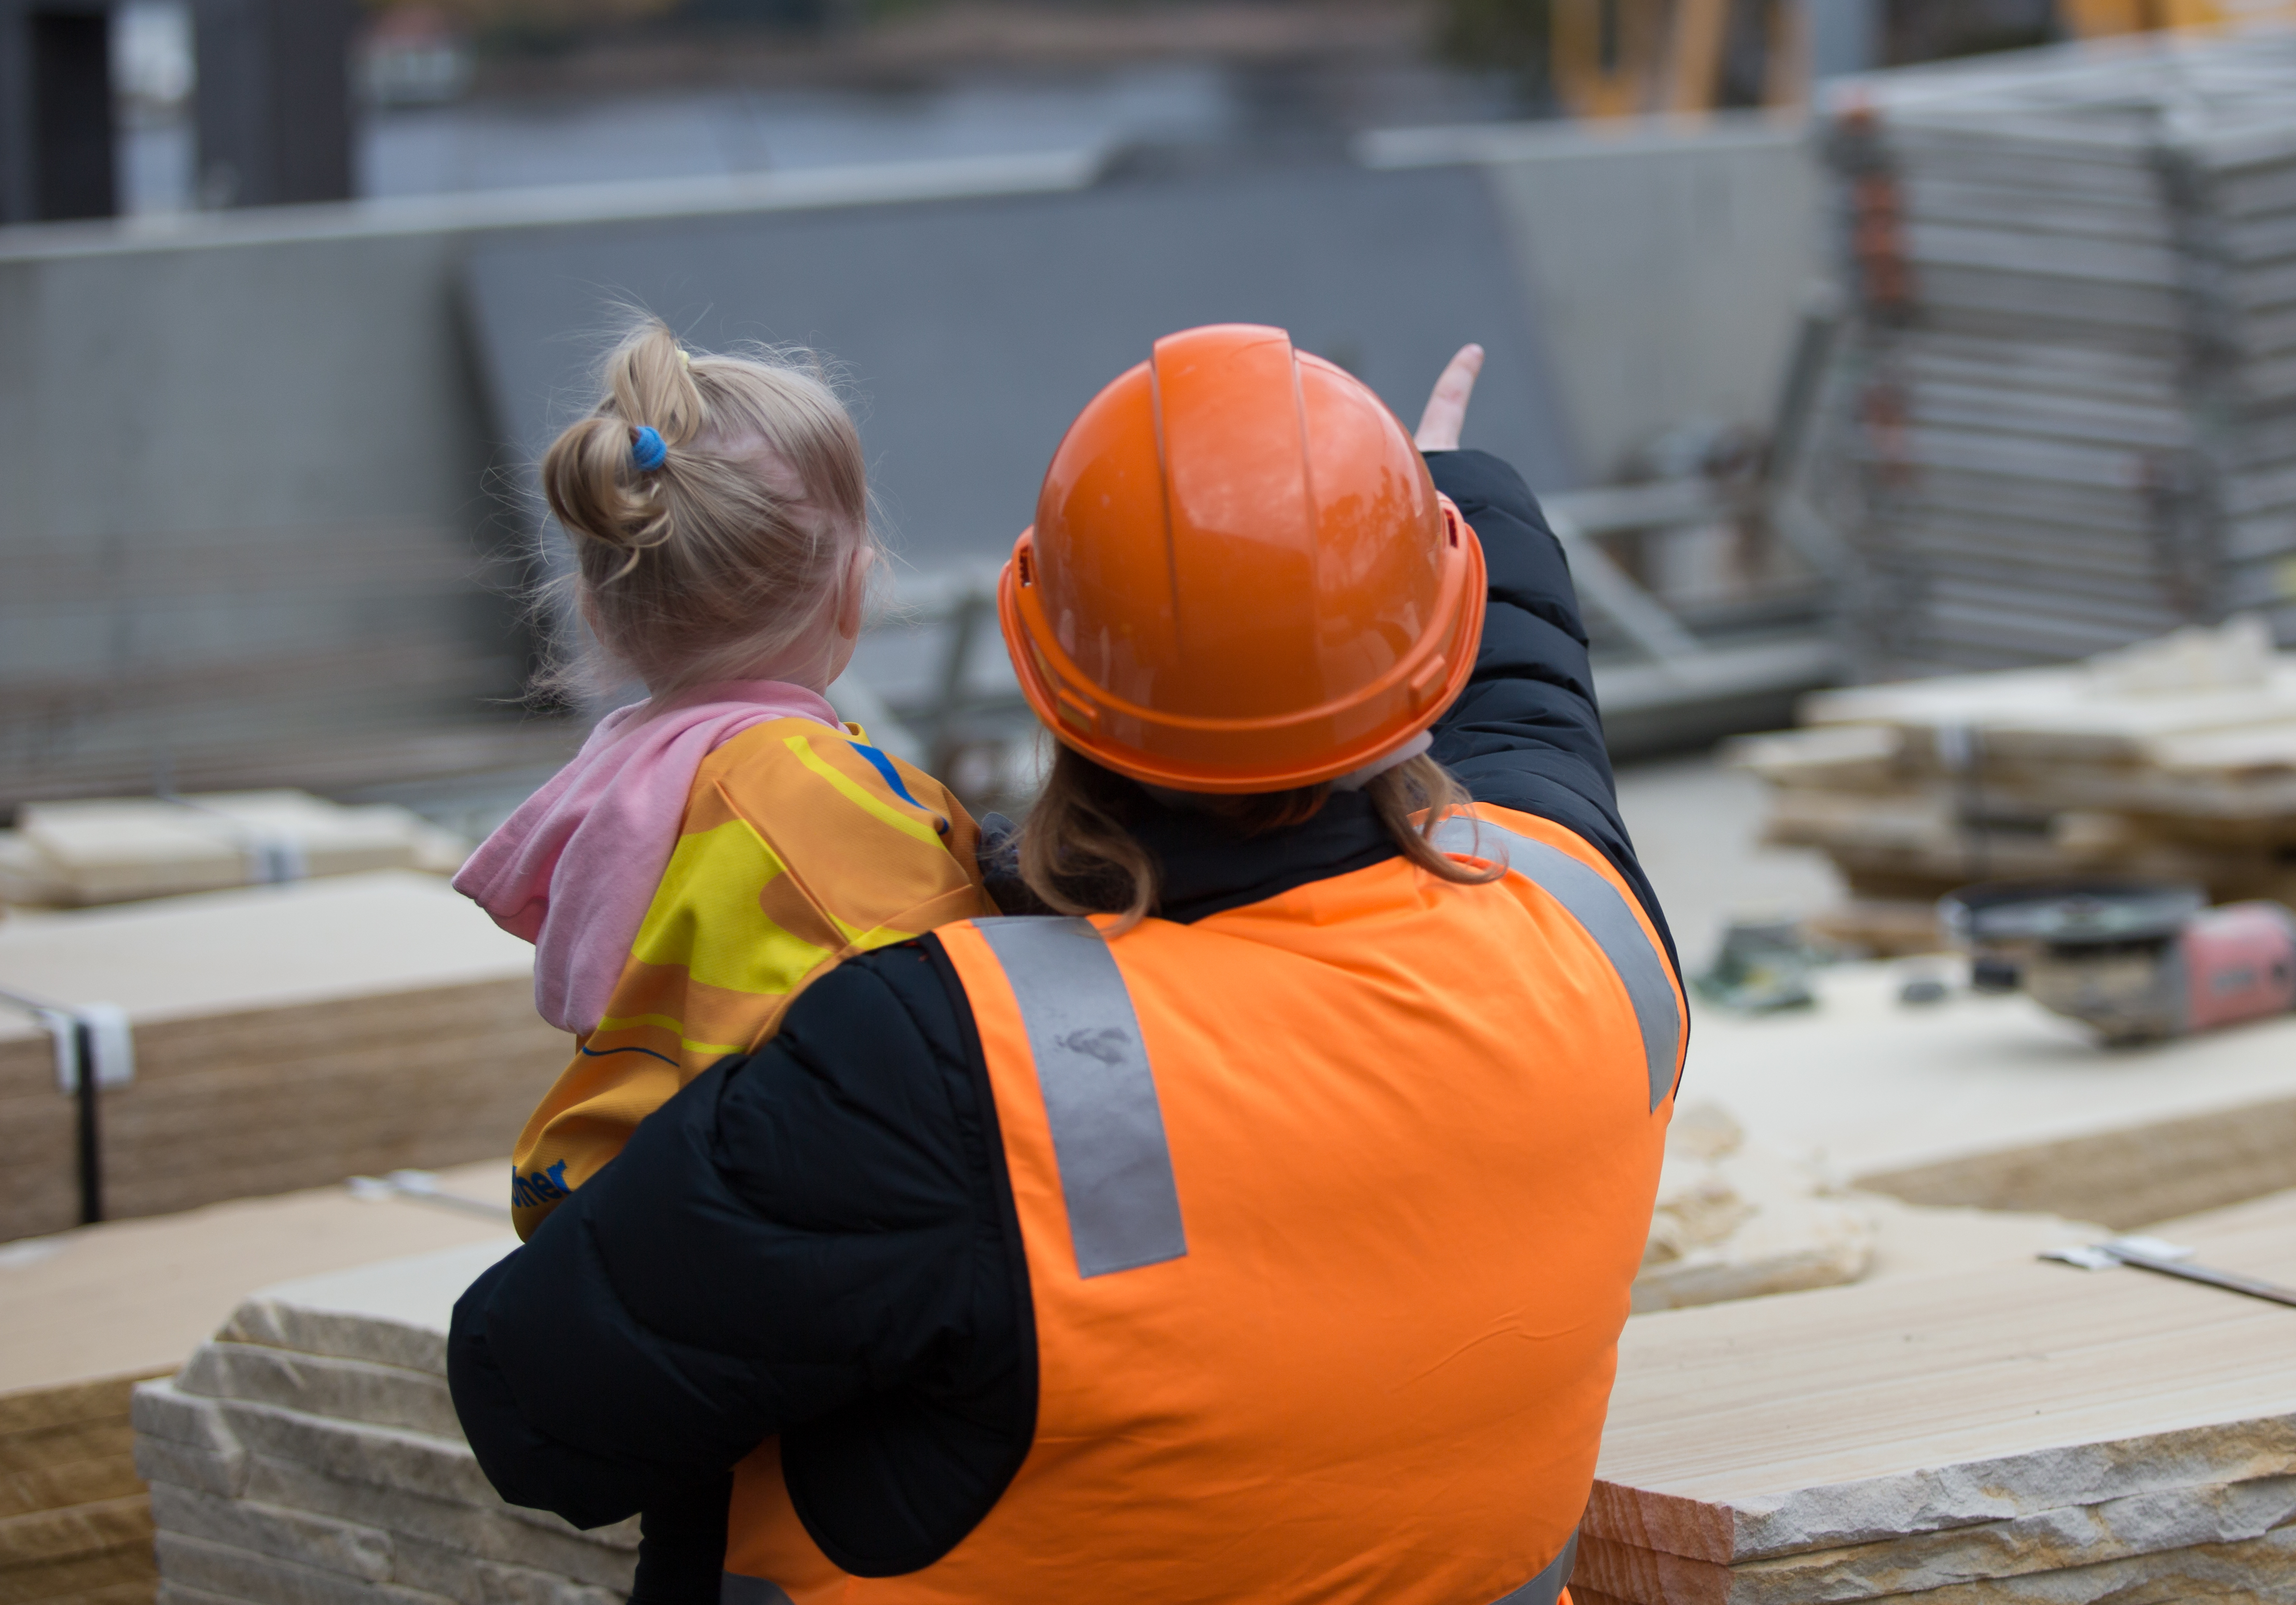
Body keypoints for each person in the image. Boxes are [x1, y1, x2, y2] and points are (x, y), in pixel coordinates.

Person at [449, 325, 1685, 1605]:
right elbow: (1536, 720)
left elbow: (536, 1406)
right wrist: (1441, 497)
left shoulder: (929, 1058)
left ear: (1046, 665)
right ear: (1443, 632)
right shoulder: (1586, 918)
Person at [454, 317, 988, 1235]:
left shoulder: (619, 787)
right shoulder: (813, 799)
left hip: (630, 1213)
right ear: (854, 590)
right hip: (799, 1236)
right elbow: (965, 1035)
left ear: (595, 610)